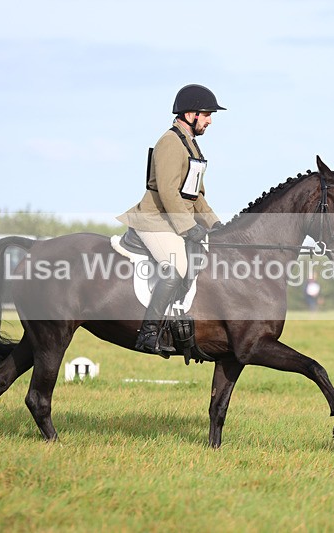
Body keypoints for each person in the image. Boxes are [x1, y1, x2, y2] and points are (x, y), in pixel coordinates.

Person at [117, 84, 226, 355]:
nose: (210, 120)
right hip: (154, 220)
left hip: (174, 220)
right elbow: (167, 191)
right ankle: (149, 332)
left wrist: (217, 225)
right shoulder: (169, 142)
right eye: (207, 114)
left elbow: (196, 197)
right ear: (190, 114)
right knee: (176, 265)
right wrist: (189, 228)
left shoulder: (191, 146)